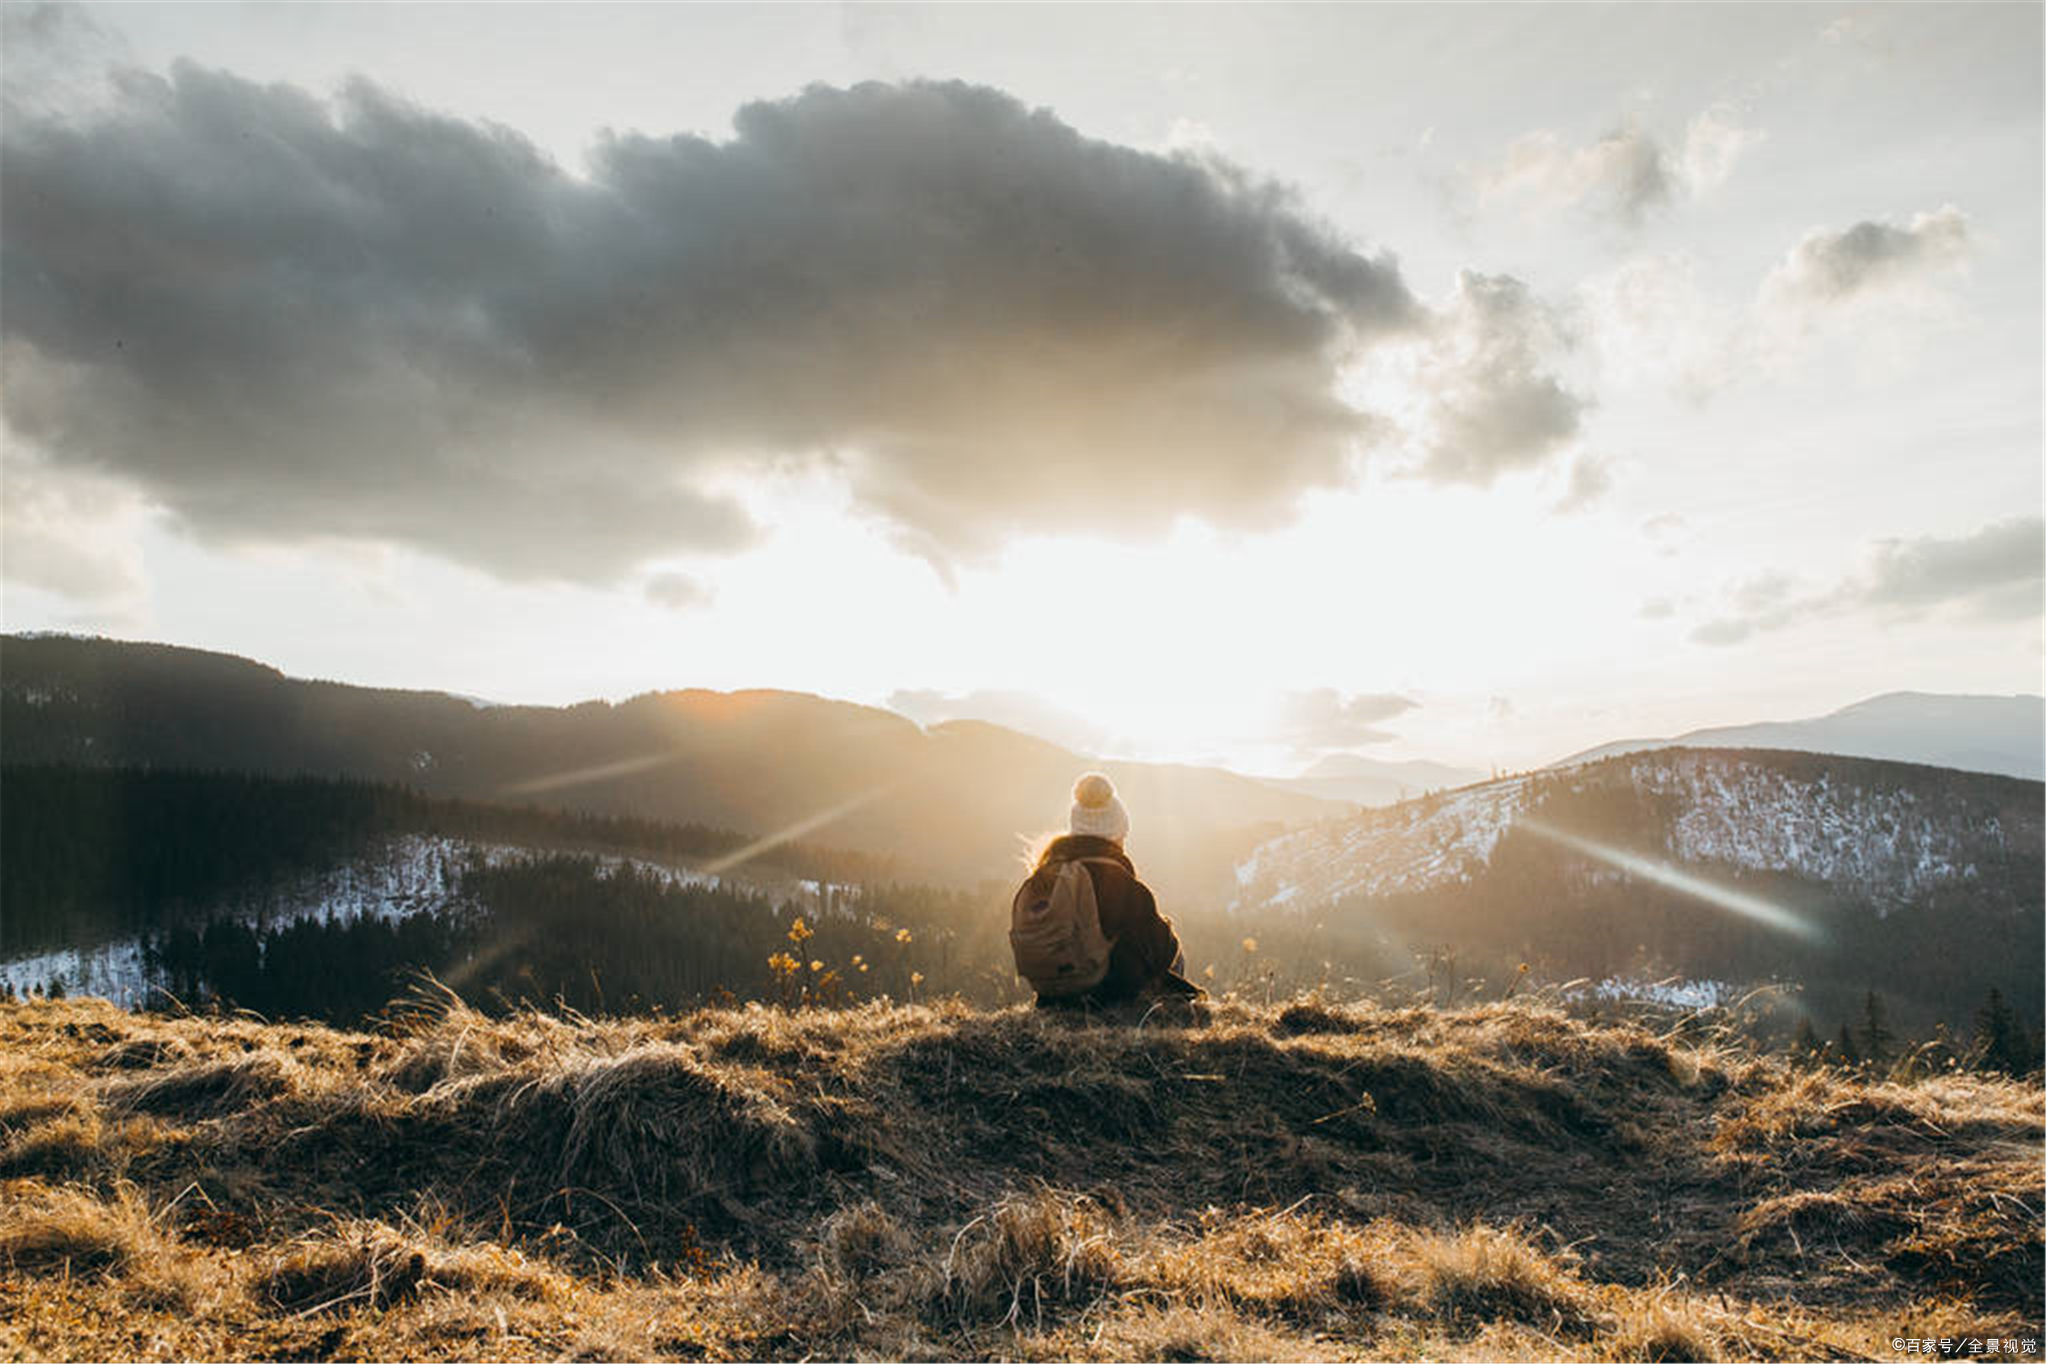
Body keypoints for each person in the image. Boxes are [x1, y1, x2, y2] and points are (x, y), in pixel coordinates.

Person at [1018, 772, 1202, 1008]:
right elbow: (1161, 954)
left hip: (1053, 997)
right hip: (1107, 996)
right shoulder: (1123, 885)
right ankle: (1165, 1012)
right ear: (1116, 833)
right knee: (1173, 947)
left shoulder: (1047, 874)